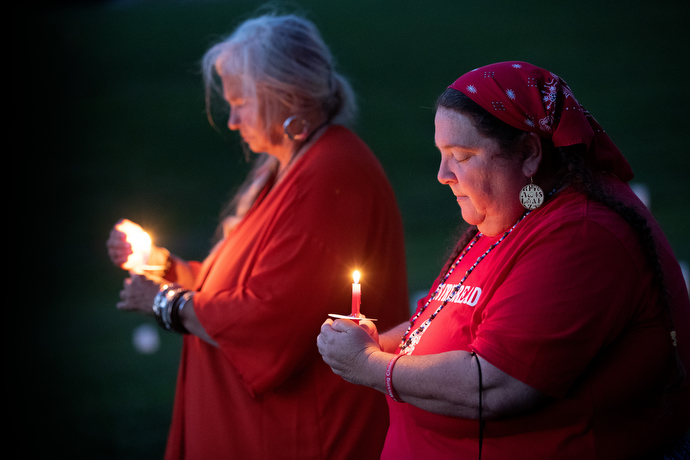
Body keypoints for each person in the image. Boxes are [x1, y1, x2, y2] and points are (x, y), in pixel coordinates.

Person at [318, 61, 690, 459]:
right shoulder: (508, 215)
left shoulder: (582, 236)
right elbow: (456, 315)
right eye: (442, 154)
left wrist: (370, 365)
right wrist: (383, 342)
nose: (443, 174)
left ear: (529, 152)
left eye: (462, 154)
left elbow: (500, 383)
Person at [107, 13, 409, 460]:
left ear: (285, 95)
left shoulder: (331, 172)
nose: (231, 120)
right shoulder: (288, 167)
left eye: (240, 102)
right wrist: (161, 264)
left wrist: (164, 302)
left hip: (303, 435)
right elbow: (240, 286)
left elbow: (272, 319)